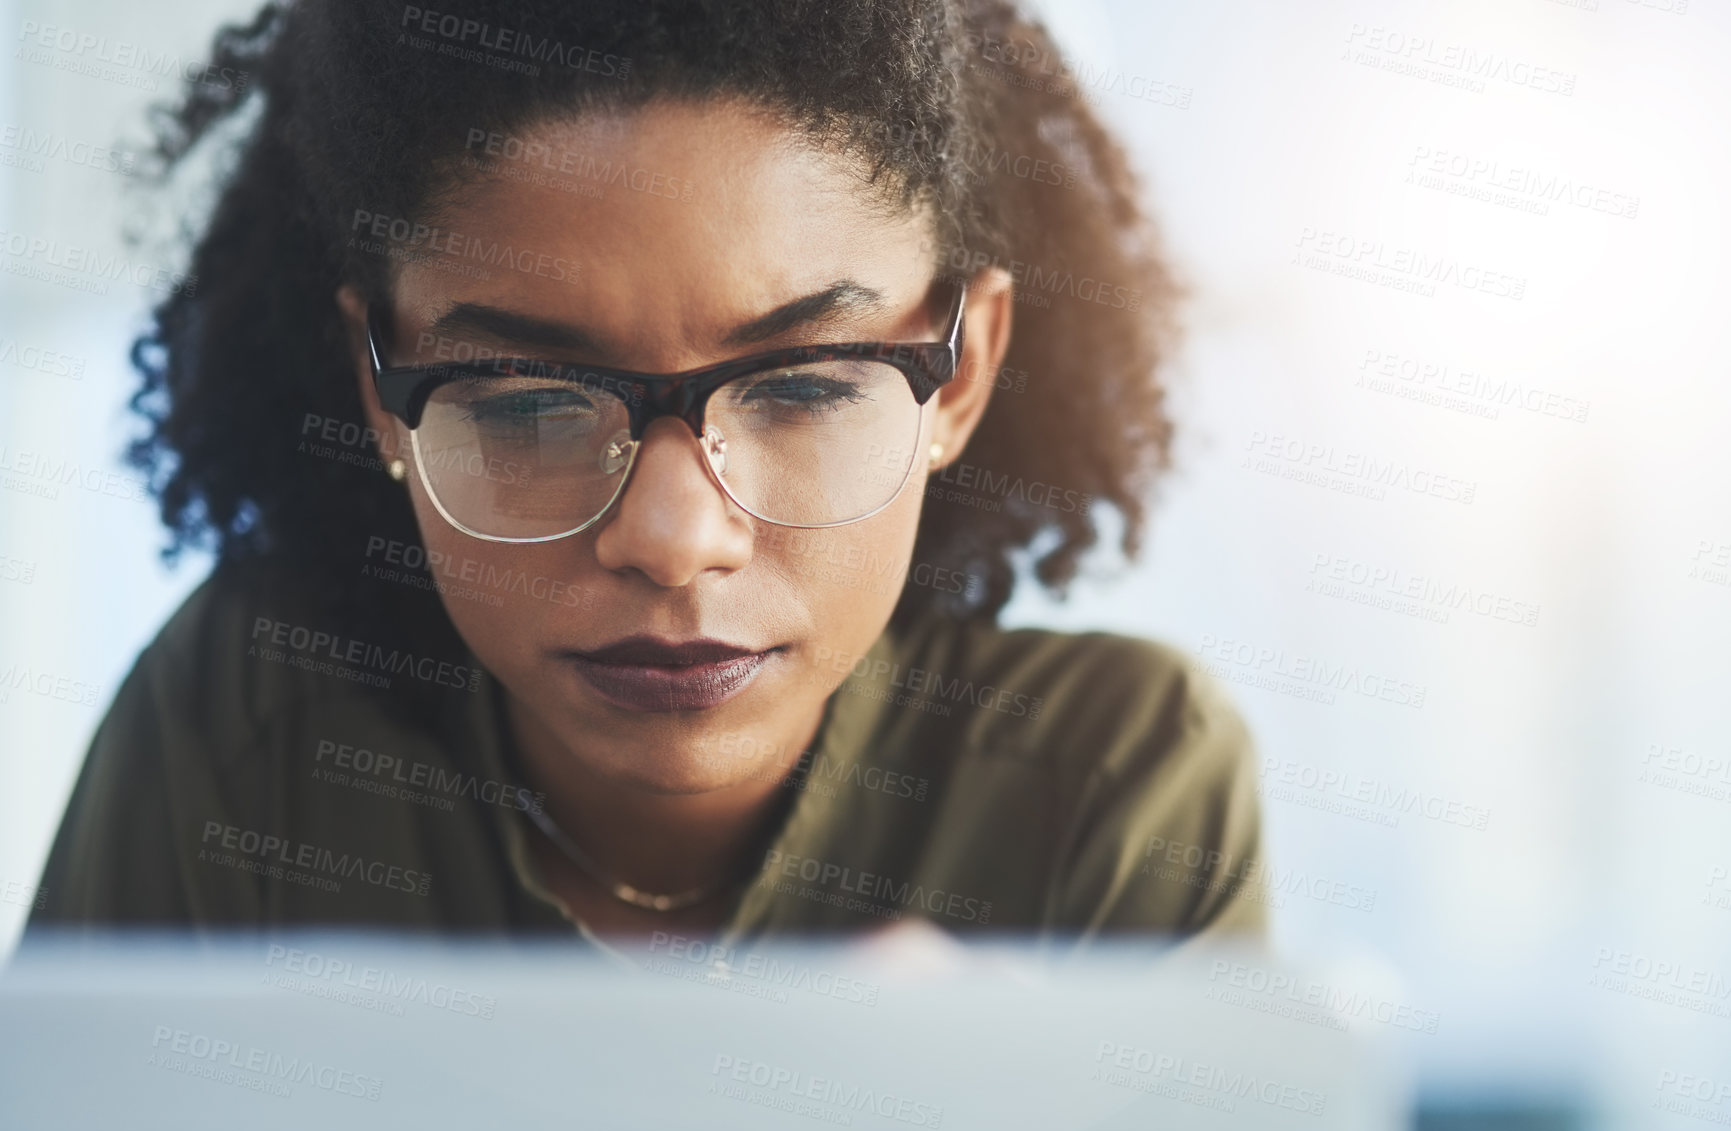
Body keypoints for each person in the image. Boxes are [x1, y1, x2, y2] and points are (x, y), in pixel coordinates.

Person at [29, 0, 1265, 952]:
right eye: (526, 402)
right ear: (379, 394)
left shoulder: (1117, 793)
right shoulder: (240, 740)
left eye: (803, 385)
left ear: (964, 373)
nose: (674, 540)